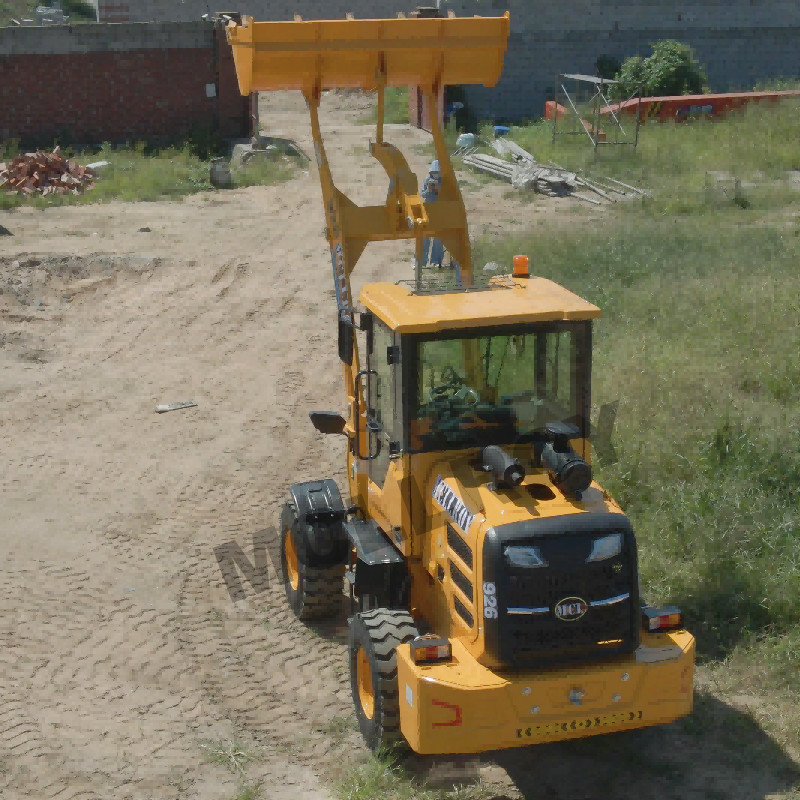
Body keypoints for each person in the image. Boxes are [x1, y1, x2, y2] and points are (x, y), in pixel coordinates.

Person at [419, 160, 445, 268]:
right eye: (434, 172)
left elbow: (446, 195)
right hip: (428, 210)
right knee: (425, 236)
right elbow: (423, 195)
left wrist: (439, 189)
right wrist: (429, 190)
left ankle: (436, 260)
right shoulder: (427, 180)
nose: (436, 174)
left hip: (439, 211)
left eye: (437, 172)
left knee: (438, 237)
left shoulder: (444, 182)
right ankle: (422, 260)